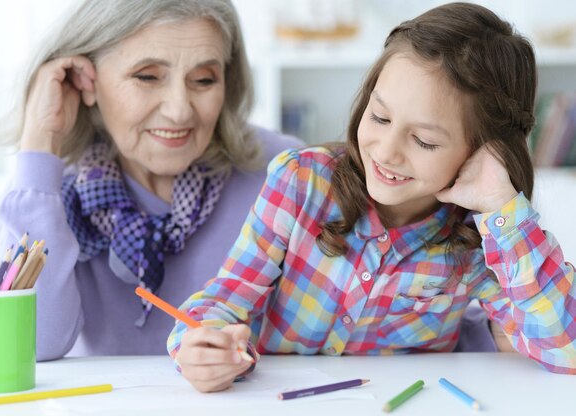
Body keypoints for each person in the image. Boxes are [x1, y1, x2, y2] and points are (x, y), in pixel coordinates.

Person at [167, 2, 576, 392]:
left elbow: (565, 349)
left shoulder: (484, 239)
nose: (386, 150)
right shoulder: (300, 182)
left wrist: (502, 209)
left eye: (424, 140)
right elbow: (225, 298)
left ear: (485, 150)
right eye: (379, 117)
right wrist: (202, 345)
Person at [0, 0, 302, 361]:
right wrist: (40, 141)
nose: (179, 109)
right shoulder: (47, 192)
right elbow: (32, 346)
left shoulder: (284, 175)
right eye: (147, 77)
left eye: (203, 80)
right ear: (85, 81)